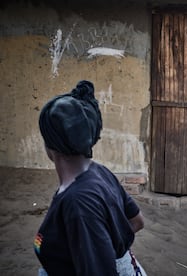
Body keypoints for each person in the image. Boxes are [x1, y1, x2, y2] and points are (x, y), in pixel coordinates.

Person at [34, 80, 145, 276]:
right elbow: (137, 221)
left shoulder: (78, 203)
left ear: (50, 145)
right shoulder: (99, 172)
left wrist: (98, 249)